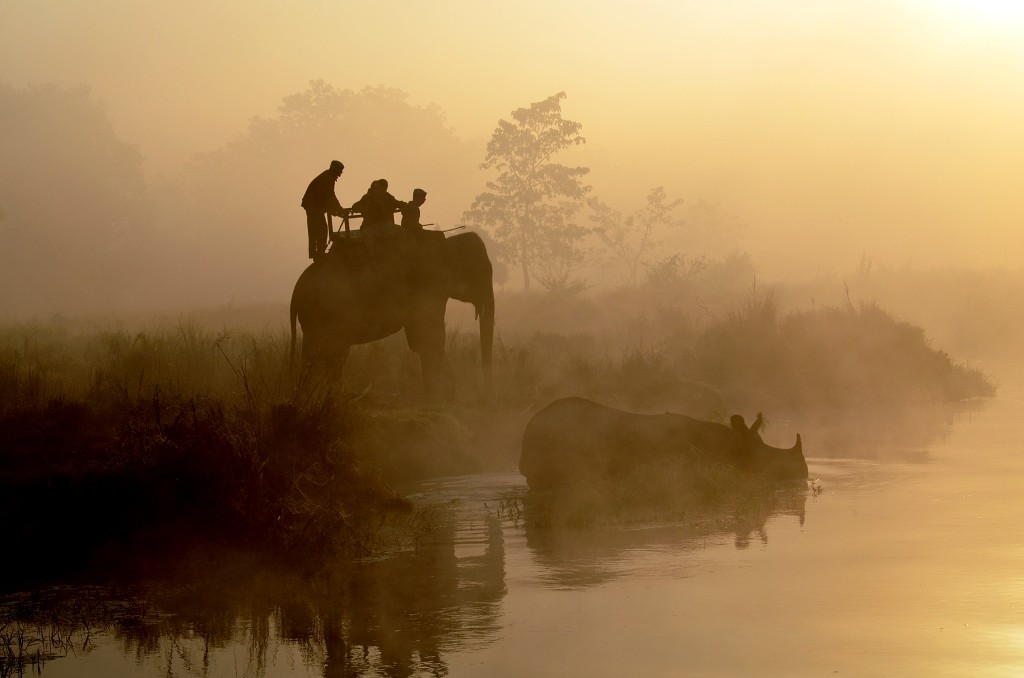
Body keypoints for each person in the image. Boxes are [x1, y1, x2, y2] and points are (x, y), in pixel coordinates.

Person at [300, 160, 346, 260]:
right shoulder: (327, 178)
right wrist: (340, 209)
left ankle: (317, 253)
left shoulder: (327, 177)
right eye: (340, 170)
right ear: (334, 168)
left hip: (314, 206)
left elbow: (326, 197)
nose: (341, 173)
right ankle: (319, 253)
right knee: (320, 230)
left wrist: (334, 209)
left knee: (317, 229)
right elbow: (330, 196)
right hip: (313, 207)